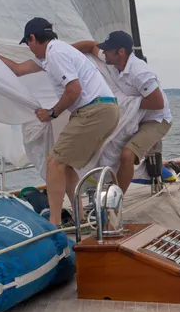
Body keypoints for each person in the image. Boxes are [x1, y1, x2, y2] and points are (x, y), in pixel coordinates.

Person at [0, 17, 120, 227]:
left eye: (27, 43)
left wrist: (51, 113)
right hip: (103, 109)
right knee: (66, 164)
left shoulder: (55, 54)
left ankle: (54, 225)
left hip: (94, 110)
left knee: (54, 162)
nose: (29, 48)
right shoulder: (52, 54)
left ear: (33, 38)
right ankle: (79, 217)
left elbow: (74, 89)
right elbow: (17, 69)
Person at [71, 31, 172, 192]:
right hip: (134, 118)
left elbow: (157, 103)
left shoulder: (140, 72)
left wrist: (126, 104)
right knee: (101, 144)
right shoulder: (110, 58)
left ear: (121, 52)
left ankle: (116, 202)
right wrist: (61, 54)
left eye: (108, 50)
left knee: (127, 154)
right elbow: (90, 46)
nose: (103, 53)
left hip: (156, 120)